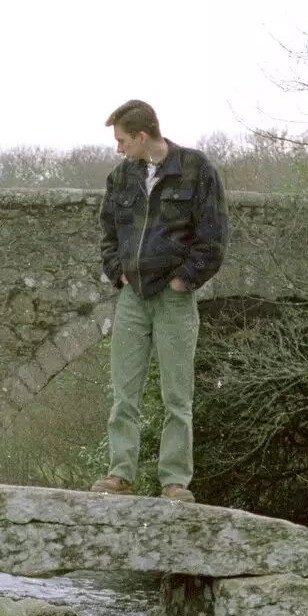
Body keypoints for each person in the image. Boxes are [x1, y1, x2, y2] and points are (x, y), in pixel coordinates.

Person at [93, 99, 228, 502]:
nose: (118, 150)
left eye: (121, 141)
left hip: (173, 299)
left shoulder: (196, 169)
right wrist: (117, 271)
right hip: (133, 296)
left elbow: (214, 234)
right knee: (124, 391)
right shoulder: (120, 179)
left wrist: (185, 281)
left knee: (177, 395)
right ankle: (120, 474)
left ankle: (174, 482)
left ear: (140, 136)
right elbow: (107, 233)